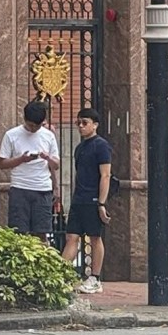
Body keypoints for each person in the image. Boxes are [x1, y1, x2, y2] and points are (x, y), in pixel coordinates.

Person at [62, 107, 111, 294]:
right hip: (79, 198)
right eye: (78, 123)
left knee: (94, 237)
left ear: (95, 125)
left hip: (92, 198)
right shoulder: (79, 148)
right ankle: (61, 275)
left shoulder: (101, 146)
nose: (81, 126)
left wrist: (101, 202)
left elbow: (105, 175)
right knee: (71, 236)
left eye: (85, 123)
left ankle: (95, 277)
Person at [0, 101, 60, 243]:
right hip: (20, 188)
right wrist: (21, 159)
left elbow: (56, 165)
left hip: (42, 189)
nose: (33, 129)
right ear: (24, 119)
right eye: (31, 125)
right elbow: (2, 163)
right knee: (18, 233)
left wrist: (47, 158)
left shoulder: (48, 136)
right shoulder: (11, 135)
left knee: (41, 232)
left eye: (37, 126)